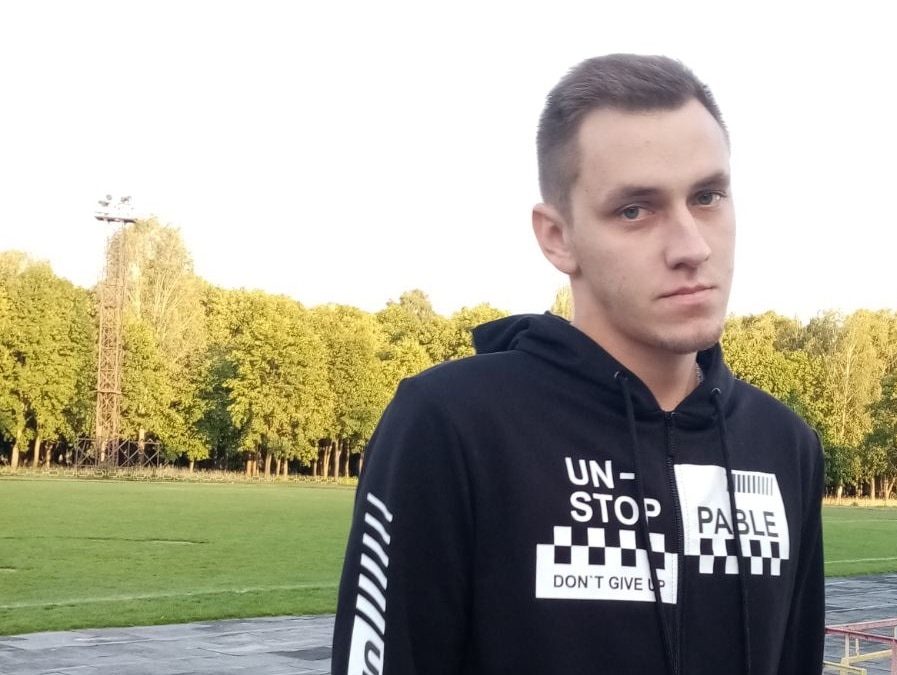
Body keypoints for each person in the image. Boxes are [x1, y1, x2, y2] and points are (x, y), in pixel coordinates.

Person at [332, 53, 825, 675]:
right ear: (557, 237)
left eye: (707, 197)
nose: (692, 247)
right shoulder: (453, 424)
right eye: (635, 210)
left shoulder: (783, 445)